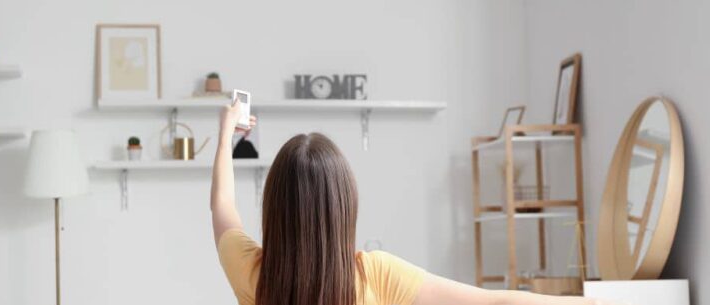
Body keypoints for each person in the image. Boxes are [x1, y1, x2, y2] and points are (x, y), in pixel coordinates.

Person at [211, 101, 615, 305]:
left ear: (274, 207)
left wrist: (227, 128)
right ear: (344, 208)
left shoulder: (251, 272)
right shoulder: (374, 275)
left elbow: (222, 202)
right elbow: (491, 300)